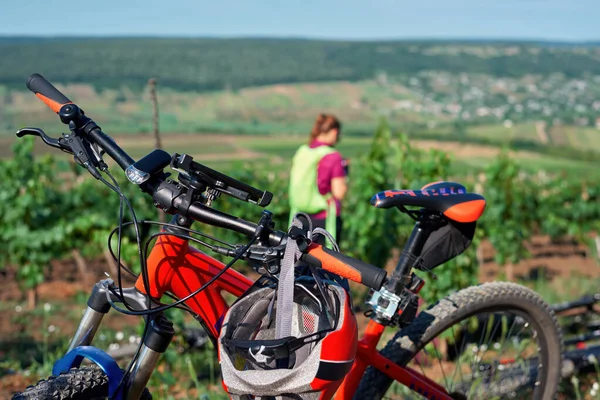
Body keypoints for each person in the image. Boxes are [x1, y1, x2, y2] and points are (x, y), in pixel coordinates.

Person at [288, 113, 348, 242]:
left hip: (300, 215)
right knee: (325, 260)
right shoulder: (333, 156)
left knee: (300, 257)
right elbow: (339, 192)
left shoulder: (303, 151)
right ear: (334, 132)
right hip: (323, 219)